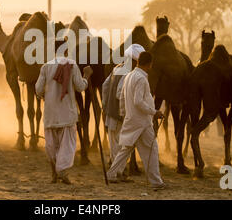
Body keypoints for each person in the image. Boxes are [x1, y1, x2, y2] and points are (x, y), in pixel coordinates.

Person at [35, 41, 93, 185]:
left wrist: (45, 95)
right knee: (66, 146)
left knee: (51, 146)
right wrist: (86, 76)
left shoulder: (46, 66)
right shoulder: (72, 65)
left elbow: (38, 89)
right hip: (67, 113)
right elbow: (80, 87)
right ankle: (63, 173)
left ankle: (54, 174)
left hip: (50, 114)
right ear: (67, 51)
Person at [106, 51, 165, 190]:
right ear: (150, 64)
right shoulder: (141, 79)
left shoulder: (129, 76)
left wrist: (124, 114)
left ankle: (111, 174)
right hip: (142, 122)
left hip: (131, 119)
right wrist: (154, 112)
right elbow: (138, 101)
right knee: (151, 149)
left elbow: (122, 98)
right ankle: (156, 182)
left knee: (126, 148)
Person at [102, 44, 145, 164]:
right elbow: (120, 94)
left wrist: (105, 107)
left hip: (110, 113)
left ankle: (117, 172)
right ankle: (116, 173)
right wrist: (124, 113)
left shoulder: (117, 68)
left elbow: (105, 87)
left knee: (115, 144)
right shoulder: (128, 73)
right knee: (121, 145)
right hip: (119, 115)